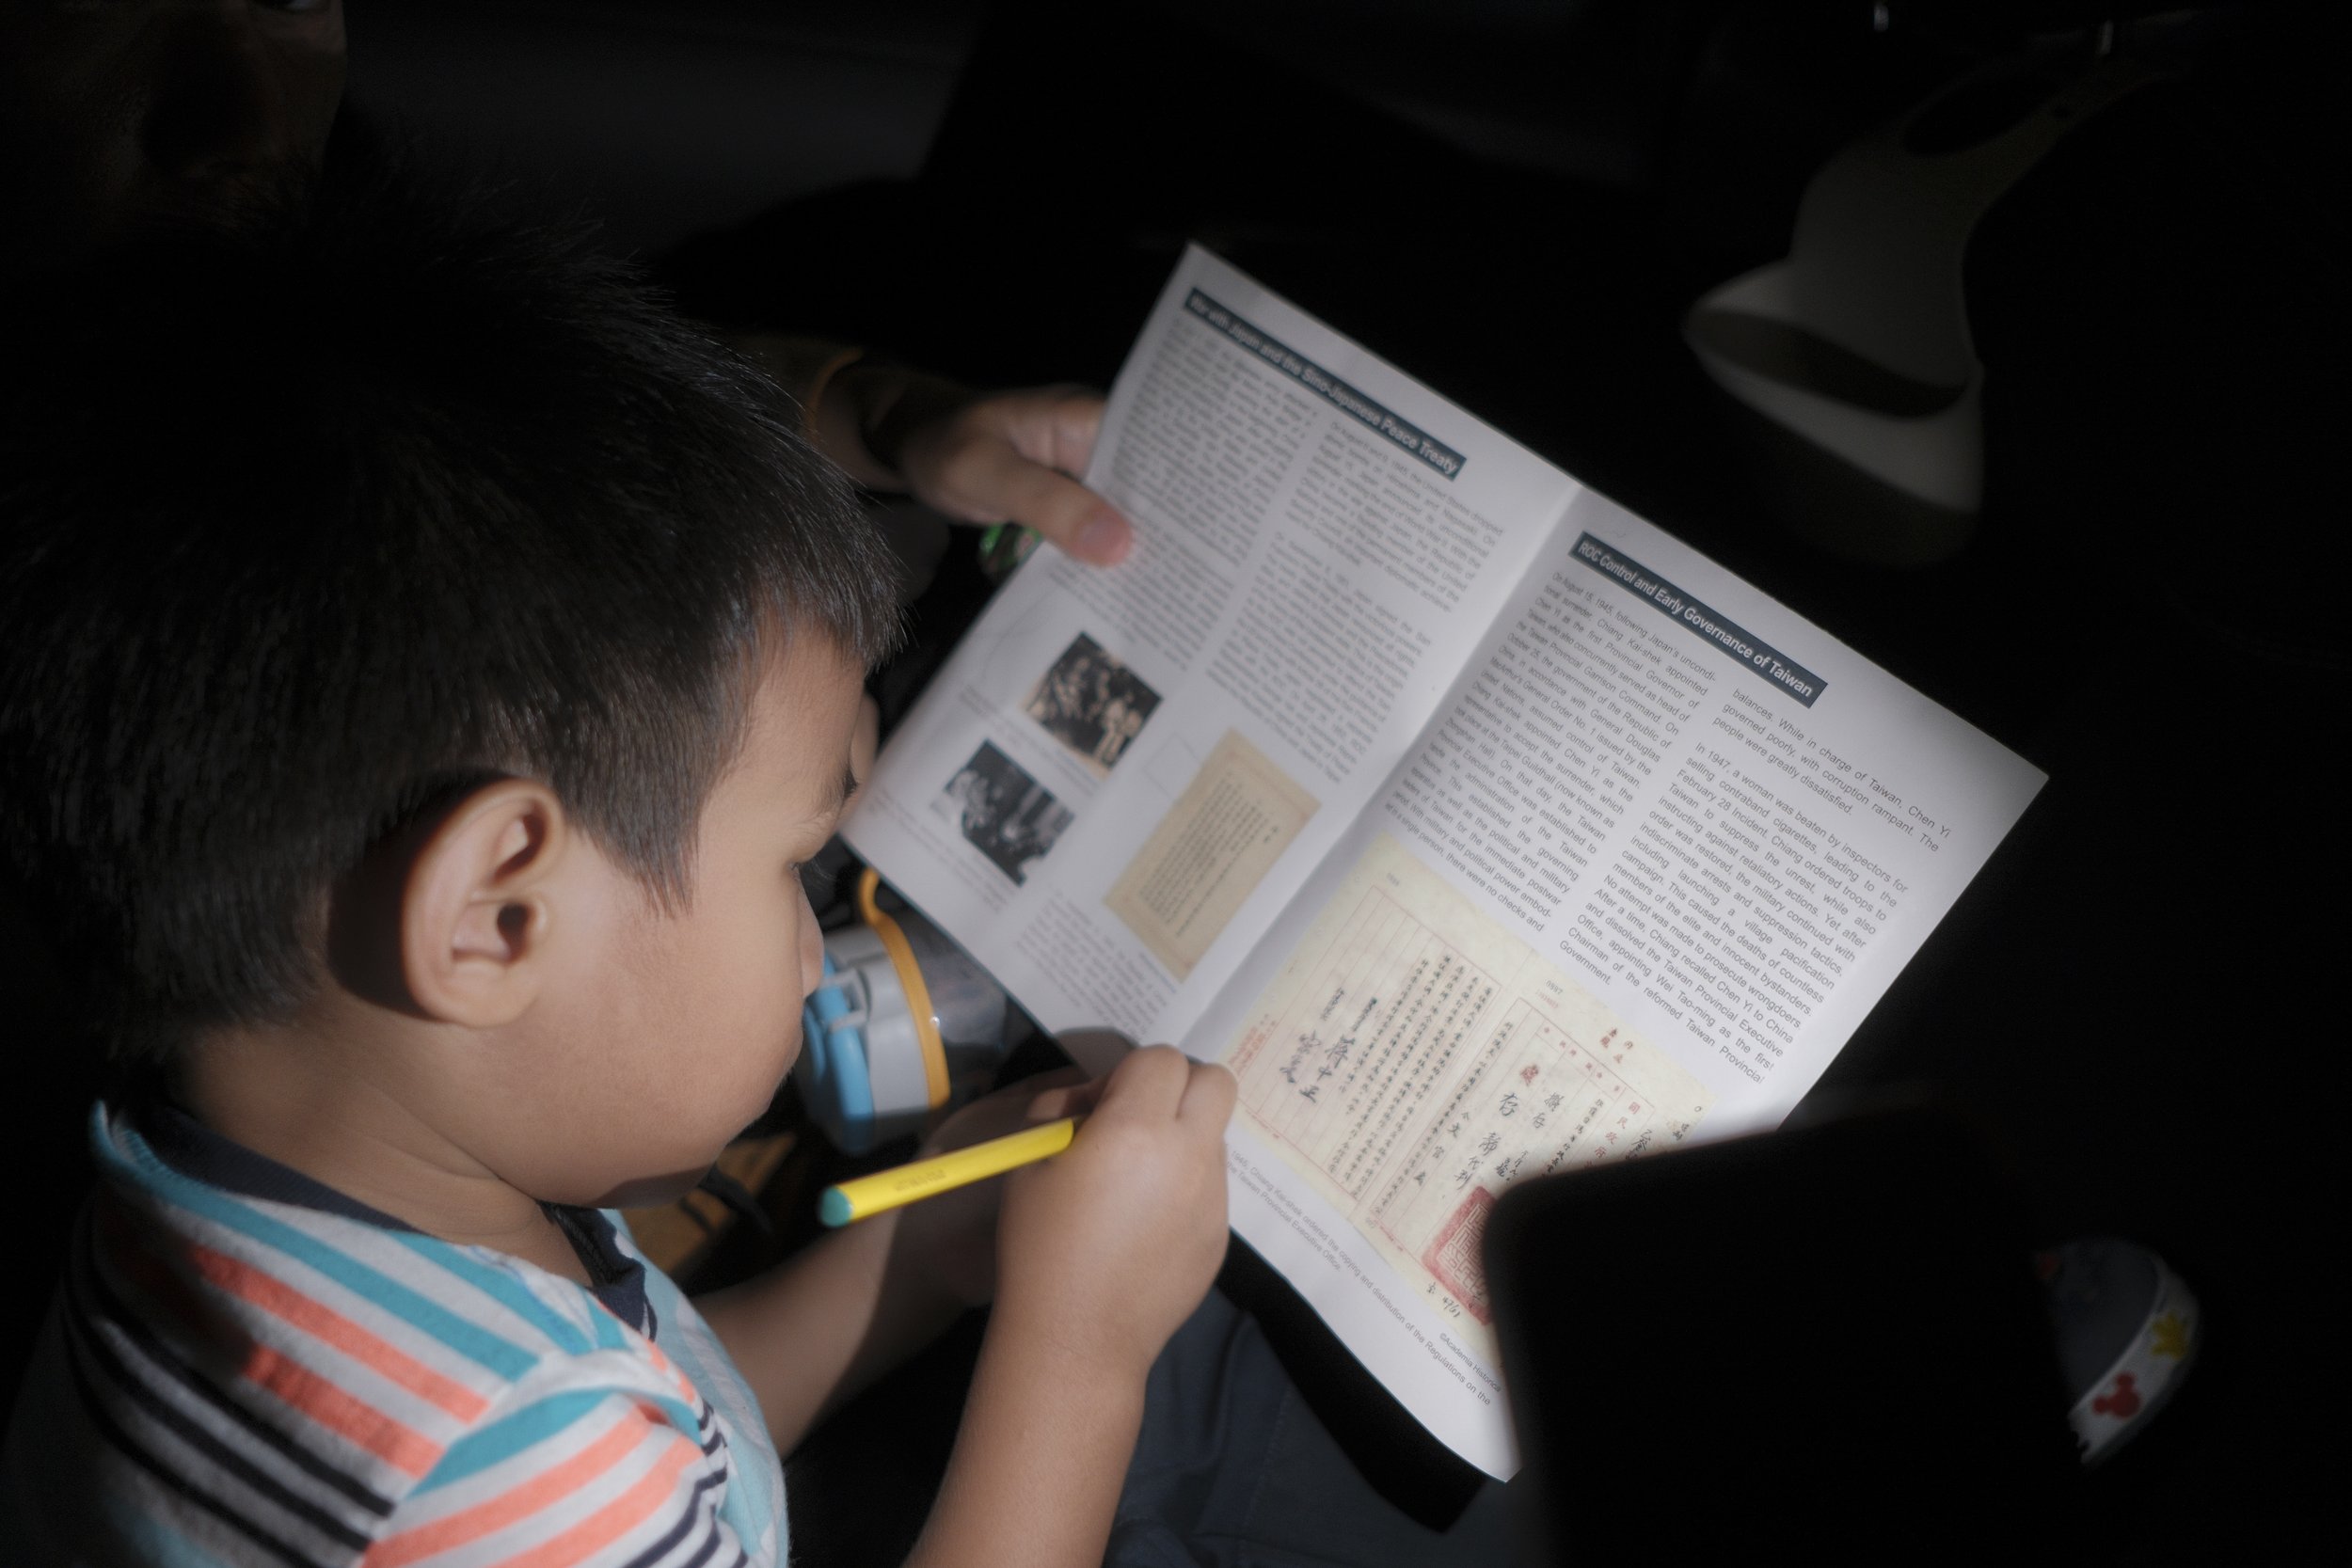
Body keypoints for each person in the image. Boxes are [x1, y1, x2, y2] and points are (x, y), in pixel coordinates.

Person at [0, 162, 1234, 1566]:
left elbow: (685, 1428)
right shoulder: (492, 1456)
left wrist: (931, 1256)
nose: (819, 915)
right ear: (496, 911)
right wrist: (1081, 1355)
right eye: (798, 863)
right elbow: (606, 1472)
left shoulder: (239, 1187)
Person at [0, 0, 1135, 571]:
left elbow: (577, 393)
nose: (244, 112)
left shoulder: (326, 262)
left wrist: (896, 420)